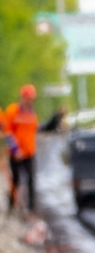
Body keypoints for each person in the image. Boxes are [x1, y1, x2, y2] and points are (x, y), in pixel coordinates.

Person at [3, 85, 63, 215]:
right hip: (16, 154)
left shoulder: (32, 114)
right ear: (22, 97)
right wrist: (15, 150)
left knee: (31, 180)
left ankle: (31, 209)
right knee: (16, 180)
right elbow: (7, 132)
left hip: (29, 153)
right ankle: (11, 208)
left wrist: (55, 119)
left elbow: (39, 128)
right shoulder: (13, 111)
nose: (30, 101)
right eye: (28, 98)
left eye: (32, 99)